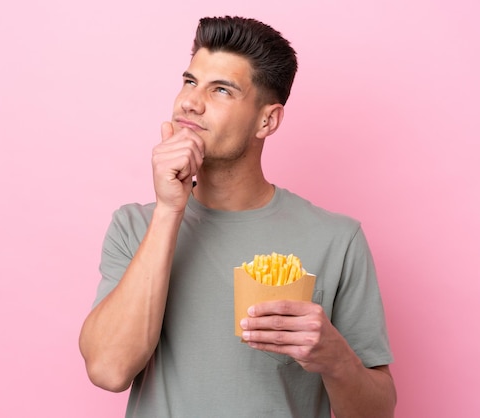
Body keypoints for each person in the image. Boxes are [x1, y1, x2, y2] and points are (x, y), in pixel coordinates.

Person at [79, 16, 396, 418]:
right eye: (190, 81)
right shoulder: (135, 226)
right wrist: (169, 209)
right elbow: (108, 370)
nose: (190, 102)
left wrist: (334, 357)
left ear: (267, 120)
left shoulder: (338, 239)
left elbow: (378, 411)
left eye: (222, 90)